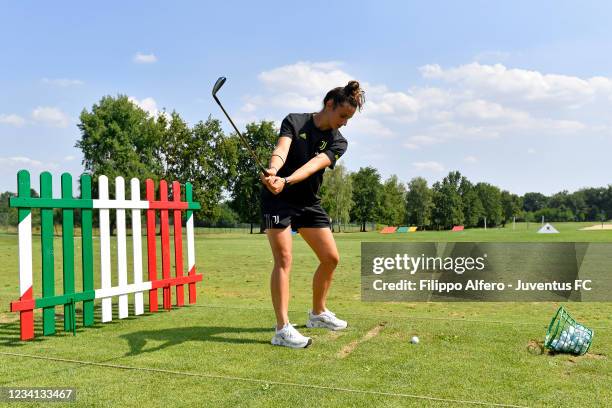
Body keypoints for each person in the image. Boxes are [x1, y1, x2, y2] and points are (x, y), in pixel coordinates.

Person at [260, 80, 365, 348]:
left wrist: (286, 180)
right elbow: (281, 149)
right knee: (284, 259)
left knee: (330, 258)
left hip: (307, 200)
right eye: (343, 116)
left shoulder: (339, 142)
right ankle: (282, 329)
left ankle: (317, 313)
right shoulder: (295, 121)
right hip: (278, 200)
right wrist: (274, 171)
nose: (344, 122)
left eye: (349, 118)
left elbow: (313, 165)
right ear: (329, 105)